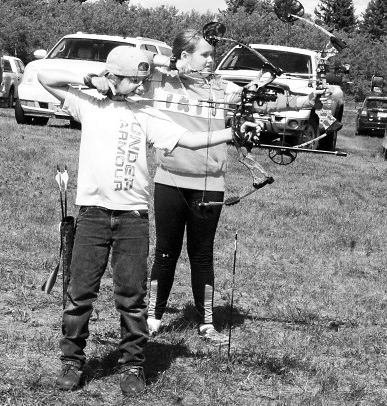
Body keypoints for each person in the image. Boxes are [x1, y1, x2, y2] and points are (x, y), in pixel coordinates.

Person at [37, 45, 243, 396]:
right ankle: (72, 361)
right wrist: (90, 78)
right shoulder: (89, 104)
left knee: (132, 297)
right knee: (79, 293)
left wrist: (233, 133)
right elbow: (43, 74)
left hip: (133, 217)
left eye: (142, 82)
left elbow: (191, 140)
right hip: (92, 214)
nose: (140, 88)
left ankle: (133, 366)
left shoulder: (148, 113)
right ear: (113, 78)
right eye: (134, 82)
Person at [140, 29, 326, 345]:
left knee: (202, 255)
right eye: (205, 54)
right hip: (169, 179)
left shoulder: (221, 88)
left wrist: (304, 100)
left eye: (213, 54)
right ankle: (153, 318)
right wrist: (168, 63)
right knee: (165, 252)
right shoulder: (158, 83)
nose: (212, 60)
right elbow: (134, 59)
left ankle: (207, 323)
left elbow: (258, 103)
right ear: (184, 56)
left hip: (209, 183)